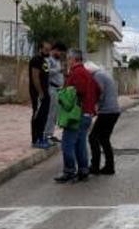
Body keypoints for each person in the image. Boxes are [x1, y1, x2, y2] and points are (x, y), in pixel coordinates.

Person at [55, 49, 99, 184]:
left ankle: (69, 171)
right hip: (87, 113)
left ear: (73, 59)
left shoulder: (77, 73)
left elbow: (76, 92)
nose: (67, 62)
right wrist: (91, 104)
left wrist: (64, 95)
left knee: (67, 144)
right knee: (80, 144)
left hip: (76, 115)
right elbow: (98, 90)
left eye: (68, 59)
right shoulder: (87, 73)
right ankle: (83, 170)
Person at [85, 62, 121, 175]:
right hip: (113, 110)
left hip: (107, 111)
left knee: (93, 137)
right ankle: (109, 167)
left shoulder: (98, 76)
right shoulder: (103, 74)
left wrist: (91, 106)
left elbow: (98, 93)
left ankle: (95, 166)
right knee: (104, 139)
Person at [28, 41, 51, 149]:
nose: (48, 51)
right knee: (37, 115)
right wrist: (40, 93)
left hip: (45, 92)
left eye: (49, 49)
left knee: (44, 116)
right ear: (40, 49)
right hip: (38, 93)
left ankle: (41, 137)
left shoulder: (44, 61)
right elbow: (35, 77)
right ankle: (35, 139)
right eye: (46, 49)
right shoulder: (36, 60)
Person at [43, 42, 67, 143]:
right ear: (55, 50)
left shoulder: (57, 60)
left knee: (55, 113)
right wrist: (59, 69)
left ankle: (50, 134)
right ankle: (46, 135)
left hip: (58, 89)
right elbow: (46, 71)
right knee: (50, 113)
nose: (61, 55)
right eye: (60, 52)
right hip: (51, 88)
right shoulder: (48, 59)